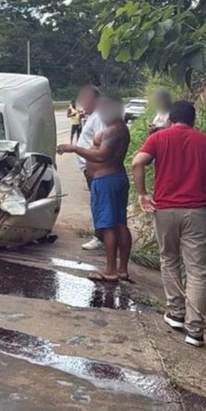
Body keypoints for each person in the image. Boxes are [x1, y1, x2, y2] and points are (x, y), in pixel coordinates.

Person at [131, 101, 206, 348]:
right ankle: (195, 331)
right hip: (198, 213)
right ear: (193, 121)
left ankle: (176, 313)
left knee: (168, 259)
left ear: (170, 119)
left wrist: (142, 193)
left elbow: (137, 163)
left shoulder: (159, 138)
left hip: (165, 210)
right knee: (197, 271)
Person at [58, 96, 131, 281]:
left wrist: (73, 148)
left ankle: (111, 270)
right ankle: (121, 269)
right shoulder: (119, 128)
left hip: (106, 180)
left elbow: (100, 155)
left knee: (108, 225)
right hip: (115, 178)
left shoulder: (113, 130)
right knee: (120, 224)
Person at [73, 86, 106, 250]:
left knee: (98, 203)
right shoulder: (93, 116)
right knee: (96, 202)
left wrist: (76, 150)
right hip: (90, 168)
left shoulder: (100, 117)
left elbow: (101, 144)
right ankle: (101, 234)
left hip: (95, 168)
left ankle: (100, 236)